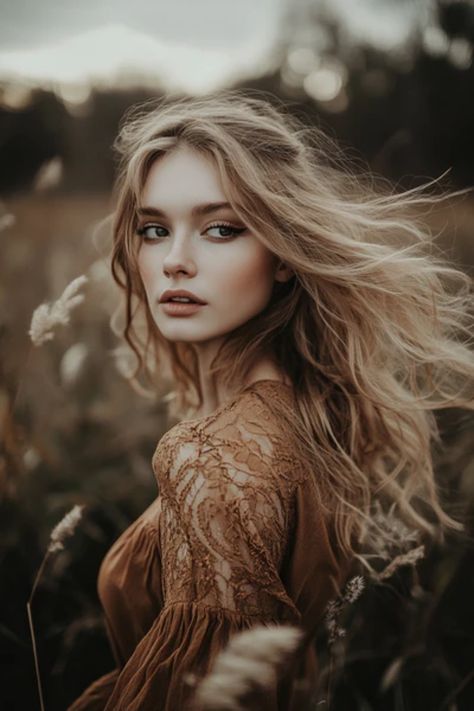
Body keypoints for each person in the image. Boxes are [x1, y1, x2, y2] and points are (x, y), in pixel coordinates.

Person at [67, 90, 473, 710]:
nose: (175, 261)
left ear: (282, 255)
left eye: (220, 229)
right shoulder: (304, 415)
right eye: (154, 230)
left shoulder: (216, 456)